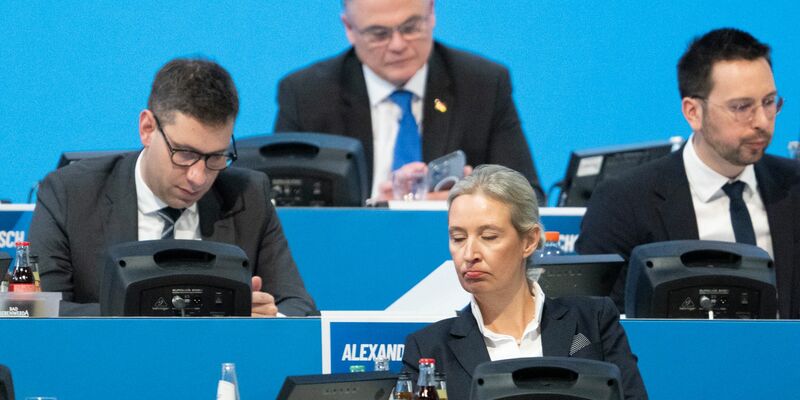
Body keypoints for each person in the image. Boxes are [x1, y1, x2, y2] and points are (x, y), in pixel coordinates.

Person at [29, 58, 316, 317]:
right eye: (185, 154)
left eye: (216, 157)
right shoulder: (69, 194)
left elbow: (299, 306)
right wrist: (153, 311)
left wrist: (269, 317)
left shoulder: (248, 196)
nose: (198, 177)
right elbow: (39, 310)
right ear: (147, 129)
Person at [576, 28, 800, 317]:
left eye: (769, 102)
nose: (761, 121)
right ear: (693, 112)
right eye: (742, 107)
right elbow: (593, 324)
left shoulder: (795, 186)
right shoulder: (625, 201)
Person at [402, 165, 647, 400]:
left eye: (488, 237)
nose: (469, 254)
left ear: (529, 241)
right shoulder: (429, 349)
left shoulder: (592, 322)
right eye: (458, 238)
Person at [274, 0, 544, 203]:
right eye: (379, 33)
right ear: (349, 28)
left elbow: (529, 197)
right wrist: (374, 207)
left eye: (411, 27)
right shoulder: (307, 94)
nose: (398, 45)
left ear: (432, 14)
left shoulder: (482, 85)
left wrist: (471, 200)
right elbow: (284, 209)